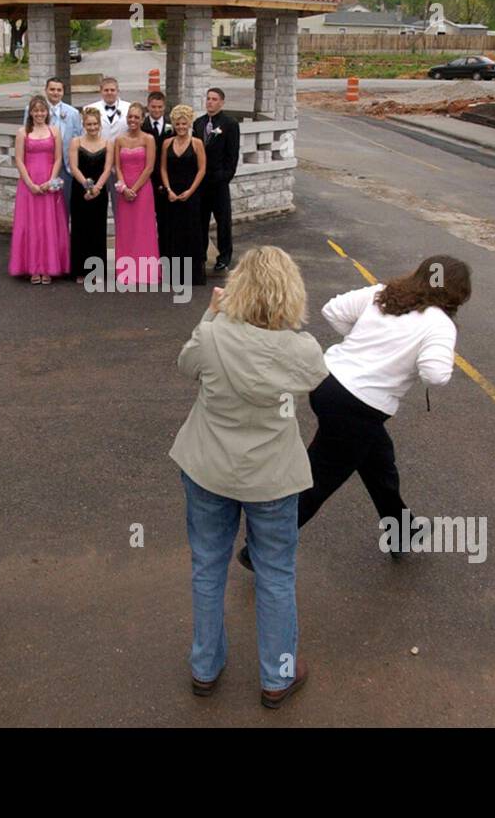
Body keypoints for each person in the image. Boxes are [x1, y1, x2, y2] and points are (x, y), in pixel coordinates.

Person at [170, 248, 329, 708]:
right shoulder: (302, 350)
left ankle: (205, 666)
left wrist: (212, 314)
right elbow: (316, 376)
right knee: (276, 575)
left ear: (238, 288)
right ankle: (277, 676)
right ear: (290, 295)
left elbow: (186, 366)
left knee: (207, 566)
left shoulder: (214, 334)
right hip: (272, 477)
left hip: (208, 467)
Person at [239, 255, 471, 569]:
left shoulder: (384, 294)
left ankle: (402, 531)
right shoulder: (440, 325)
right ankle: (258, 551)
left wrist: (360, 347)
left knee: (380, 463)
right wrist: (398, 362)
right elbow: (435, 374)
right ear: (457, 294)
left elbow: (333, 310)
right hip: (358, 408)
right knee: (317, 481)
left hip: (327, 383)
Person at [9, 94, 70, 284]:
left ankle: (49, 267)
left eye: (42, 110)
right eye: (36, 110)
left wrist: (51, 181)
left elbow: (58, 158)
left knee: (49, 225)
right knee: (31, 225)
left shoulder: (55, 131)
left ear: (47, 112)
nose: (39, 114)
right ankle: (33, 267)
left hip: (48, 182)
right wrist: (30, 184)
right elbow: (19, 159)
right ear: (31, 112)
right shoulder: (23, 132)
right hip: (29, 184)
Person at [112, 101, 160, 287]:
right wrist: (124, 187)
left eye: (136, 117)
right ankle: (125, 270)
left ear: (142, 119)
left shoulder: (148, 139)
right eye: (130, 116)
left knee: (143, 228)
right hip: (124, 190)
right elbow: (117, 166)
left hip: (143, 189)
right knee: (126, 229)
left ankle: (145, 270)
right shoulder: (119, 140)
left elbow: (149, 167)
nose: (133, 120)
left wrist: (135, 189)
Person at [192, 88, 240, 274]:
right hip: (201, 183)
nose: (210, 102)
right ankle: (201, 256)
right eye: (208, 99)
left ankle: (224, 257)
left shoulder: (229, 124)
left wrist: (224, 176)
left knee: (223, 222)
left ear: (221, 102)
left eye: (214, 99)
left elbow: (232, 155)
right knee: (200, 221)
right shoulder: (199, 123)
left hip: (219, 182)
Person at [159, 104, 207, 287]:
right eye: (177, 124)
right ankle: (172, 275)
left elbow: (202, 169)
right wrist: (169, 190)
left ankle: (192, 275)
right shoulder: (166, 143)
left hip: (191, 195)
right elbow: (162, 167)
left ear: (189, 124)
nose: (180, 127)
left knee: (191, 233)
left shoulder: (197, 143)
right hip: (171, 195)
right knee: (172, 233)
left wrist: (190, 191)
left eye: (183, 124)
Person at [24, 77, 82, 224]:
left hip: (65, 167)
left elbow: (78, 138)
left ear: (63, 92)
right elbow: (26, 136)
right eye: (52, 89)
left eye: (59, 90)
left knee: (64, 207)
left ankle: (61, 241)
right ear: (46, 90)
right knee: (43, 207)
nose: (55, 93)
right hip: (42, 166)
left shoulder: (73, 113)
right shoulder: (34, 111)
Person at [69, 106, 114, 281]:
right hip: (80, 189)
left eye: (95, 124)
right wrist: (87, 186)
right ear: (84, 124)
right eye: (89, 124)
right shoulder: (76, 142)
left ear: (100, 125)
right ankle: (80, 270)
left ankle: (96, 270)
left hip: (100, 192)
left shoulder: (108, 144)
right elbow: (73, 167)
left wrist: (97, 188)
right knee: (81, 229)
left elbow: (107, 168)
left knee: (97, 230)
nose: (92, 127)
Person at [142, 91, 175, 255]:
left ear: (164, 108)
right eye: (153, 107)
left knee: (166, 220)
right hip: (146, 179)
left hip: (166, 180)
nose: (156, 110)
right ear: (148, 107)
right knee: (145, 220)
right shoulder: (141, 126)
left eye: (160, 107)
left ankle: (165, 254)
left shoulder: (172, 126)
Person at [88, 76, 130, 141]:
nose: (109, 93)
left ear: (118, 91)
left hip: (123, 148)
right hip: (99, 149)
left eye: (112, 90)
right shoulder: (89, 109)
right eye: (106, 90)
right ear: (101, 91)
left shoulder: (128, 108)